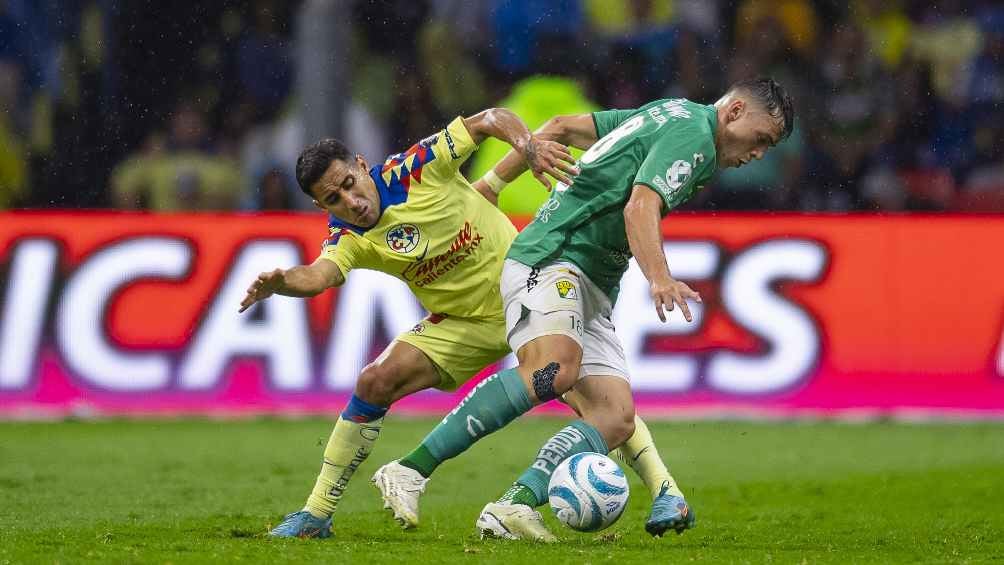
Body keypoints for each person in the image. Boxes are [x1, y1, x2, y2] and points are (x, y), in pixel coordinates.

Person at [378, 77, 795, 541]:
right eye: (762, 140)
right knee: (552, 368)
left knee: (615, 417)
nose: (759, 154)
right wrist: (659, 277)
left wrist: (494, 182)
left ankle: (513, 505)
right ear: (735, 111)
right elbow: (640, 207)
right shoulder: (694, 135)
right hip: (555, 256)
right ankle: (411, 469)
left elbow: (558, 128)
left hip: (592, 282)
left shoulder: (670, 111)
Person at [238, 107, 681, 539]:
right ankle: (316, 513)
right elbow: (321, 275)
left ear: (360, 165)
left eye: (350, 185)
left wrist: (525, 147)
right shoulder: (348, 237)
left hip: (527, 287)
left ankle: (665, 490)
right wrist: (284, 282)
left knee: (595, 399)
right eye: (333, 199)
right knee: (375, 381)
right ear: (320, 205)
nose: (351, 202)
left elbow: (490, 119)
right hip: (463, 323)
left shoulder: (416, 167)